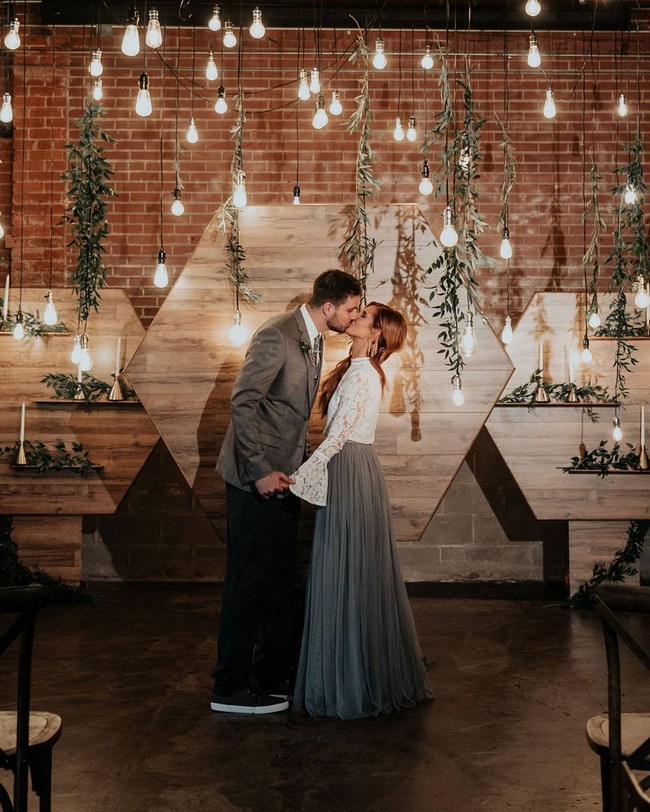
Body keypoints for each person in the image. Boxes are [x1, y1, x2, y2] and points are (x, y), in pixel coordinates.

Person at [211, 269, 362, 714]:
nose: (353, 319)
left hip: (285, 480)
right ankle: (229, 688)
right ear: (328, 307)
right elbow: (243, 402)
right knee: (248, 581)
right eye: (350, 310)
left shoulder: (314, 339)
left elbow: (288, 416)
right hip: (252, 479)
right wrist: (259, 471)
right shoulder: (277, 334)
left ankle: (270, 676)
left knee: (279, 580)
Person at [290, 302, 434, 719]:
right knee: (345, 568)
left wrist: (301, 474)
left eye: (364, 316)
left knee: (347, 569)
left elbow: (338, 436)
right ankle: (343, 672)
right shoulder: (352, 369)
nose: (353, 318)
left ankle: (351, 679)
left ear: (376, 335)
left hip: (350, 468)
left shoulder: (366, 375)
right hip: (348, 468)